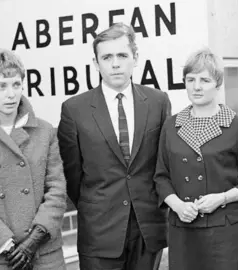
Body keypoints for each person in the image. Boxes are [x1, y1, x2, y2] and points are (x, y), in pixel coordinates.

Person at [57, 23, 171, 270]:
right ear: (96, 63)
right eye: (107, 57)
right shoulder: (74, 110)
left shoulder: (158, 102)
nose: (115, 63)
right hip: (99, 233)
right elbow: (72, 175)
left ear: (135, 58)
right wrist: (99, 205)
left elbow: (163, 165)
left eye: (122, 55)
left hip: (148, 230)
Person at [0, 48, 67, 270]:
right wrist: (9, 248)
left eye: (16, 85)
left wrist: (33, 242)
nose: (11, 94)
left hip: (44, 254)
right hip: (0, 258)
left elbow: (56, 190)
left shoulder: (45, 132)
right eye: (2, 86)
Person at [153, 48, 238, 270]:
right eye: (190, 79)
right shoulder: (171, 126)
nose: (196, 86)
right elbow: (160, 177)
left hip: (225, 232)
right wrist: (178, 205)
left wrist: (222, 198)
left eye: (205, 80)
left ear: (218, 84)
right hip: (182, 230)